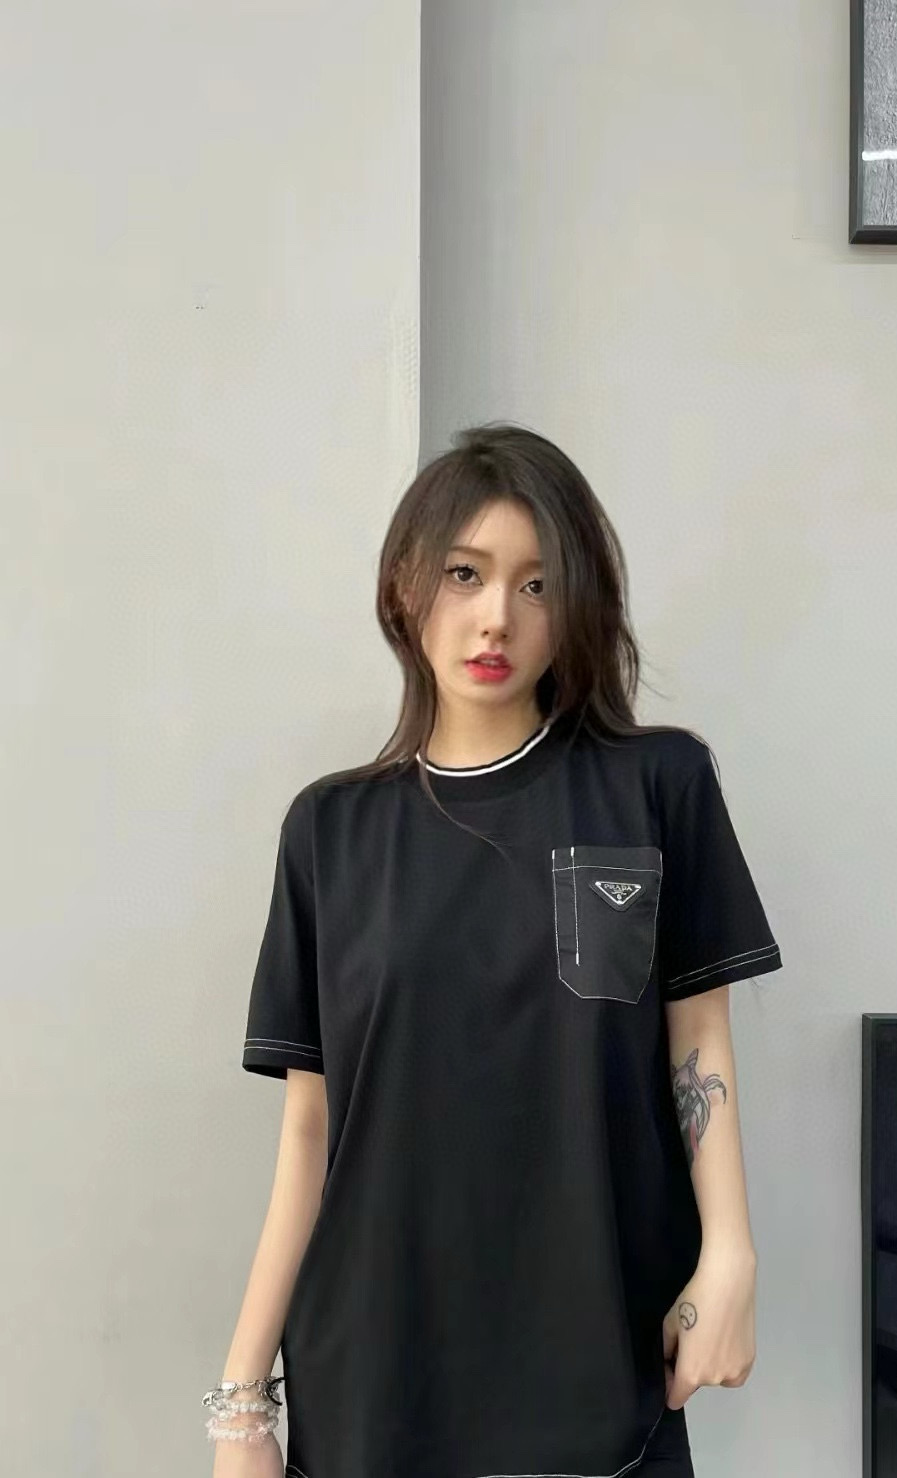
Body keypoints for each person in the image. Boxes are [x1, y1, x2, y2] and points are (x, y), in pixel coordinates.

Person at [205, 423, 784, 1478]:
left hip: (599, 1385)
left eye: (536, 584)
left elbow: (698, 1040)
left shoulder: (654, 786)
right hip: (372, 1386)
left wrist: (731, 1253)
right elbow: (310, 1130)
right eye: (464, 573)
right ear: (405, 585)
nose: (496, 617)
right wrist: (242, 1403)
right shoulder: (330, 831)